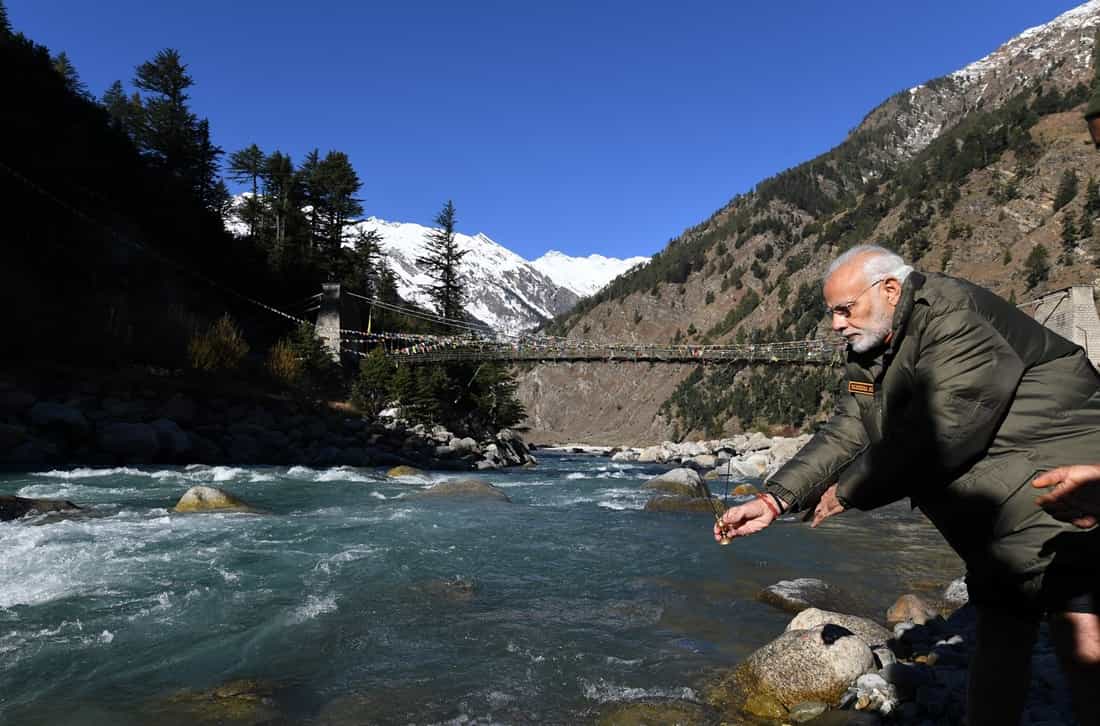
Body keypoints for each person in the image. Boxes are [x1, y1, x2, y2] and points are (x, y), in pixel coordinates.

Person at [715, 245, 1100, 725]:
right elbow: (851, 426)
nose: (836, 323)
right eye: (832, 312)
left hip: (1057, 469)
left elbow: (946, 430)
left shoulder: (954, 317)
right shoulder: (870, 352)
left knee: (1075, 608)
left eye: (843, 308)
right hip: (1000, 490)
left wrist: (849, 491)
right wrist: (777, 497)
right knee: (1003, 617)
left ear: (890, 289)